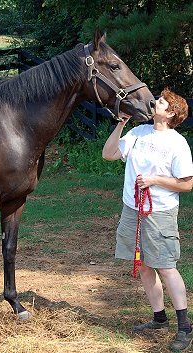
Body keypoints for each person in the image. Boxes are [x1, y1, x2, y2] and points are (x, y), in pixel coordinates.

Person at [102, 88, 193, 352]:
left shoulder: (177, 143)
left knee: (165, 267)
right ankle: (159, 318)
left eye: (162, 101)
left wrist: (155, 180)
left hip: (160, 214)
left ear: (172, 113)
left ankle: (185, 326)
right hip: (132, 210)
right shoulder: (138, 133)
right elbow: (109, 154)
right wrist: (121, 123)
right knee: (143, 265)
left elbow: (187, 184)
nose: (157, 102)